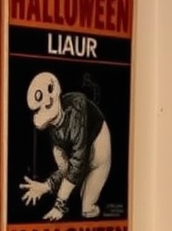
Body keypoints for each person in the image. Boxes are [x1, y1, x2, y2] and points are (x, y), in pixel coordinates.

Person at [20, 71, 112, 221]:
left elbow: (77, 163)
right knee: (84, 200)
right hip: (83, 157)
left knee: (87, 208)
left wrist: (59, 204)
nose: (48, 100)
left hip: (99, 145)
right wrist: (47, 186)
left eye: (49, 90)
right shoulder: (55, 137)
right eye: (39, 100)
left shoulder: (76, 108)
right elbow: (66, 169)